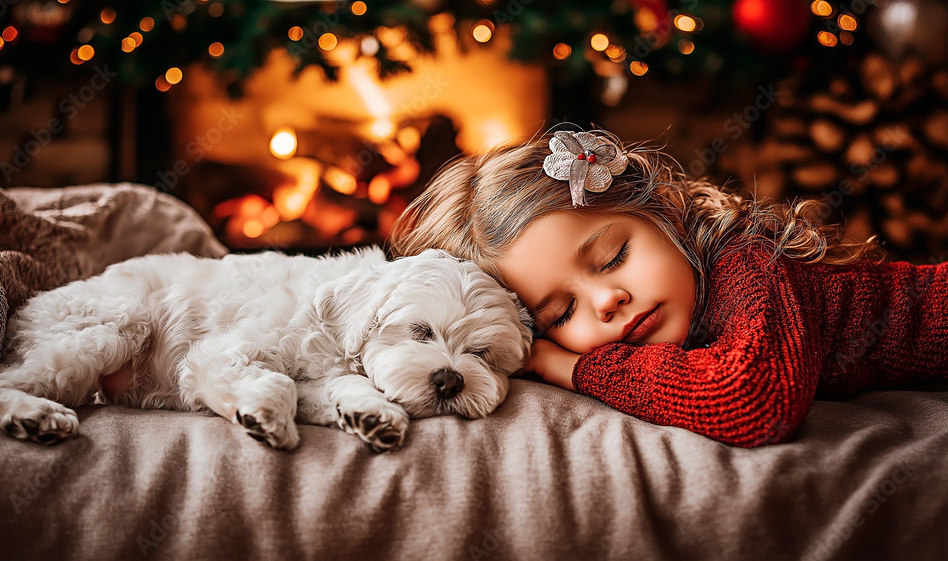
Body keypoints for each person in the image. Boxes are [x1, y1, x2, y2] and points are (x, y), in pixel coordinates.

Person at [388, 128, 948, 447]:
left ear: (660, 213)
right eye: (561, 314)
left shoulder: (747, 266)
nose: (607, 301)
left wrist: (573, 367)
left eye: (615, 257)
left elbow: (752, 402)